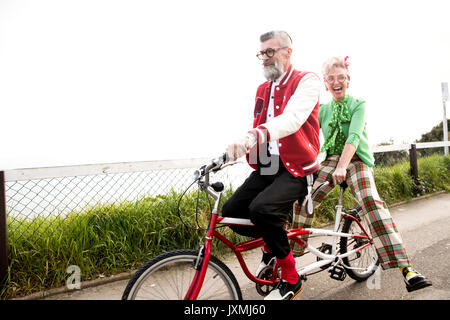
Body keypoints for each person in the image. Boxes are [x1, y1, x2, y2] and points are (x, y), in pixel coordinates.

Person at [291, 56, 432, 292]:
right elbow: (305, 132)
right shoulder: (323, 109)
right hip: (331, 160)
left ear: (348, 80)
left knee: (370, 202)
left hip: (356, 160)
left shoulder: (359, 104)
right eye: (331, 79)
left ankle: (406, 268)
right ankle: (291, 261)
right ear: (325, 83)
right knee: (304, 198)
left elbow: (354, 137)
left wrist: (342, 167)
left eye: (341, 78)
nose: (337, 82)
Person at [222, 30, 321, 300]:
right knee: (232, 212)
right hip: (267, 164)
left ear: (288, 52)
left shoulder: (307, 81)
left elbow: (292, 119)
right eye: (261, 53)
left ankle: (291, 277)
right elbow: (257, 124)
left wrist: (253, 136)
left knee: (262, 210)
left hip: (297, 166)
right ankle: (272, 241)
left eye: (271, 52)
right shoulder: (262, 89)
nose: (265, 58)